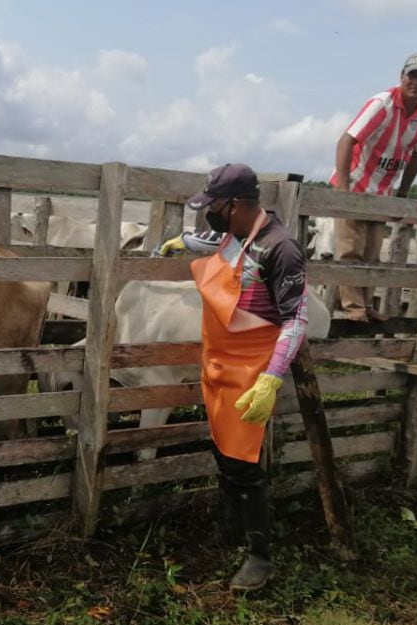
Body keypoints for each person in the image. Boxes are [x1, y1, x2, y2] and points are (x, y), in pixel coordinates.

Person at [155, 163, 310, 591]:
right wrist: (180, 242)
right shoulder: (235, 234)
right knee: (223, 451)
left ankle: (261, 557)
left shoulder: (281, 248)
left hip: (252, 370)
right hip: (218, 362)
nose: (210, 214)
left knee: (245, 464)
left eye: (214, 207)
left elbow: (297, 319)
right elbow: (212, 242)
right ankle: (230, 527)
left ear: (238, 205)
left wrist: (272, 379)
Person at [332, 51, 417, 322]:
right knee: (350, 250)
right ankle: (353, 307)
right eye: (411, 75)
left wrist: (403, 192)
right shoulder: (382, 103)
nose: (415, 82)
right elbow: (346, 140)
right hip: (356, 182)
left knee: (372, 253)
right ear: (401, 76)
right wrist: (344, 190)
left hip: (383, 189)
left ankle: (366, 304)